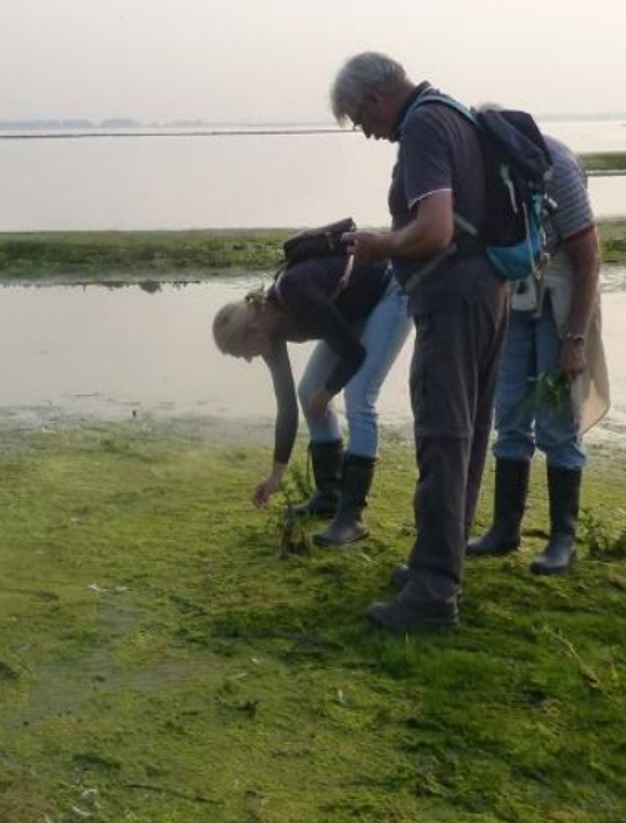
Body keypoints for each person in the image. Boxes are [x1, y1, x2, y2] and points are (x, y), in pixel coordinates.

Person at [330, 52, 508, 631]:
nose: (367, 132)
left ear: (377, 96)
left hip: (453, 300)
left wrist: (382, 244)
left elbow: (435, 229)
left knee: (442, 437)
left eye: (360, 118)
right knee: (468, 436)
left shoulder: (424, 126)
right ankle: (441, 562)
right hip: (486, 292)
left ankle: (433, 593)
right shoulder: (453, 112)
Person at [466, 134, 606, 574]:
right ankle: (505, 529)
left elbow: (589, 261)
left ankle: (563, 538)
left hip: (563, 293)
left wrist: (575, 340)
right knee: (508, 414)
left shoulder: (556, 168)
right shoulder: (481, 171)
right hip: (517, 289)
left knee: (557, 419)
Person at [212, 254, 411, 544]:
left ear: (251, 330)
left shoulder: (296, 291)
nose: (247, 360)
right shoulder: (269, 333)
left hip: (391, 291)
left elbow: (353, 353)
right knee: (308, 391)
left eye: (241, 352)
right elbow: (287, 405)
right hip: (354, 311)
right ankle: (329, 494)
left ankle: (352, 517)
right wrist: (275, 476)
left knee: (359, 395)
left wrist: (329, 391)